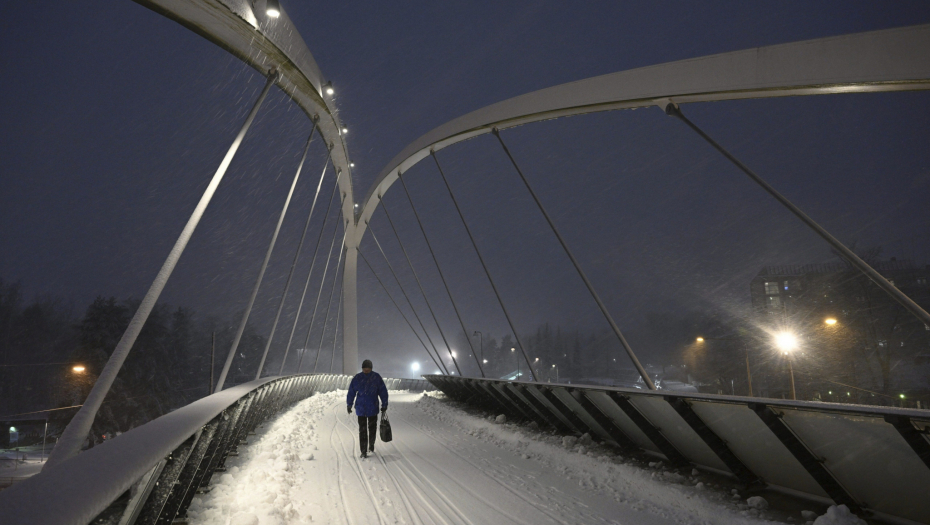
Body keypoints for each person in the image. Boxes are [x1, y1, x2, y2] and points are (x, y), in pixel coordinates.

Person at [347, 359, 388, 458]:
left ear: (371, 368)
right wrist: (349, 404)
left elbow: (383, 392)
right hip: (361, 408)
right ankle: (363, 450)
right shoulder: (357, 378)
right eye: (364, 368)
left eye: (368, 368)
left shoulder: (376, 378)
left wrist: (384, 405)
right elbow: (351, 392)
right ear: (362, 368)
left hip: (373, 408)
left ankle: (371, 444)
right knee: (362, 430)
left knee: (372, 429)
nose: (366, 370)